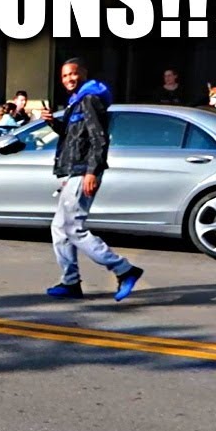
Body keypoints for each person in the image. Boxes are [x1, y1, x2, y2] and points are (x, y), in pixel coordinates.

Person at [42, 58, 144, 302]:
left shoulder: (90, 99)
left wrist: (91, 172)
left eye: (73, 74)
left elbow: (99, 138)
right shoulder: (76, 101)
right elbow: (74, 137)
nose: (69, 79)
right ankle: (70, 282)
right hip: (74, 171)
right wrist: (53, 123)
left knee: (73, 228)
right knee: (59, 228)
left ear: (83, 74)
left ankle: (124, 269)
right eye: (64, 76)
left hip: (83, 171)